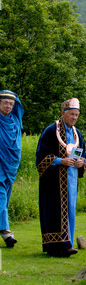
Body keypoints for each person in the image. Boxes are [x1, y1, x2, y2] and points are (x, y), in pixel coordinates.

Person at [36, 98, 86, 257]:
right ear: (63, 113)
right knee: (54, 211)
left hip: (71, 180)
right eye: (71, 114)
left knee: (70, 211)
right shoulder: (51, 131)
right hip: (53, 181)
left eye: (76, 115)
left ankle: (68, 243)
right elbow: (40, 156)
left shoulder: (76, 133)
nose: (74, 118)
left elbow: (82, 154)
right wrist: (60, 161)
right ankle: (56, 246)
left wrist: (81, 163)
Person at [0, 90, 24, 248]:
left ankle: (5, 232)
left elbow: (16, 145)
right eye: (5, 103)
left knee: (5, 198)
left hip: (11, 165)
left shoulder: (15, 121)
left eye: (11, 104)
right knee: (0, 196)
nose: (8, 106)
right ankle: (7, 233)